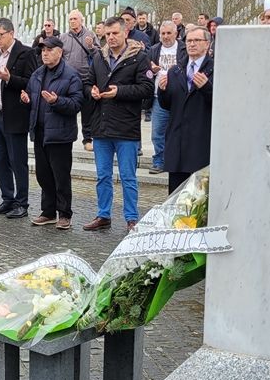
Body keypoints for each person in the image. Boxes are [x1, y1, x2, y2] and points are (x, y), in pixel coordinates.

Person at [84, 17, 151, 232]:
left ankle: (132, 218)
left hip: (126, 128)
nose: (111, 37)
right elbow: (87, 82)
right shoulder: (98, 57)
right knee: (103, 175)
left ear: (125, 33)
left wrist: (119, 92)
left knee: (128, 177)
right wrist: (91, 91)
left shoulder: (139, 58)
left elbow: (147, 88)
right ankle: (103, 215)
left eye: (115, 33)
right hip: (102, 126)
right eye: (108, 34)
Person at [19, 36, 82, 230]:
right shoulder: (37, 74)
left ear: (60, 52)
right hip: (40, 132)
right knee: (43, 174)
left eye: (49, 50)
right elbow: (31, 94)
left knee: (60, 176)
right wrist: (26, 99)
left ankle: (64, 214)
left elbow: (77, 104)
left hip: (60, 134)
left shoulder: (71, 75)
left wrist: (57, 102)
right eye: (43, 51)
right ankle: (48, 212)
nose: (45, 54)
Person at [0, 17, 36, 219]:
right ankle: (7, 199)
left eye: (0, 35)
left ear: (11, 33)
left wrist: (9, 79)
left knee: (18, 161)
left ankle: (22, 202)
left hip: (15, 116)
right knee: (0, 160)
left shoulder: (26, 53)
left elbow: (32, 82)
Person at [158, 26, 214, 193]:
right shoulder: (176, 70)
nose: (192, 44)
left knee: (199, 199)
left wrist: (206, 87)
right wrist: (162, 91)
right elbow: (167, 105)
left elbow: (223, 104)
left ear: (207, 44)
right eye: (189, 40)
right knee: (176, 197)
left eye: (197, 40)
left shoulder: (216, 69)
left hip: (201, 143)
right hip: (178, 143)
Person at [145, 22, 186, 175]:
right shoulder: (154, 50)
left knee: (178, 131)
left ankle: (175, 160)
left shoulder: (183, 49)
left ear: (176, 34)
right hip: (158, 97)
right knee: (157, 133)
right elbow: (146, 74)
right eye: (163, 33)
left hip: (179, 98)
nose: (165, 36)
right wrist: (151, 70)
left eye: (169, 33)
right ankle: (159, 161)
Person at [61, 10, 98, 152]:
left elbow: (99, 56)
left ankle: (87, 139)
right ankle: (66, 136)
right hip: (68, 79)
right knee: (67, 108)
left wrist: (91, 47)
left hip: (85, 79)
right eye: (70, 19)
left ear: (81, 20)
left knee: (87, 111)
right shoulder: (63, 37)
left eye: (75, 18)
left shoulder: (90, 35)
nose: (72, 21)